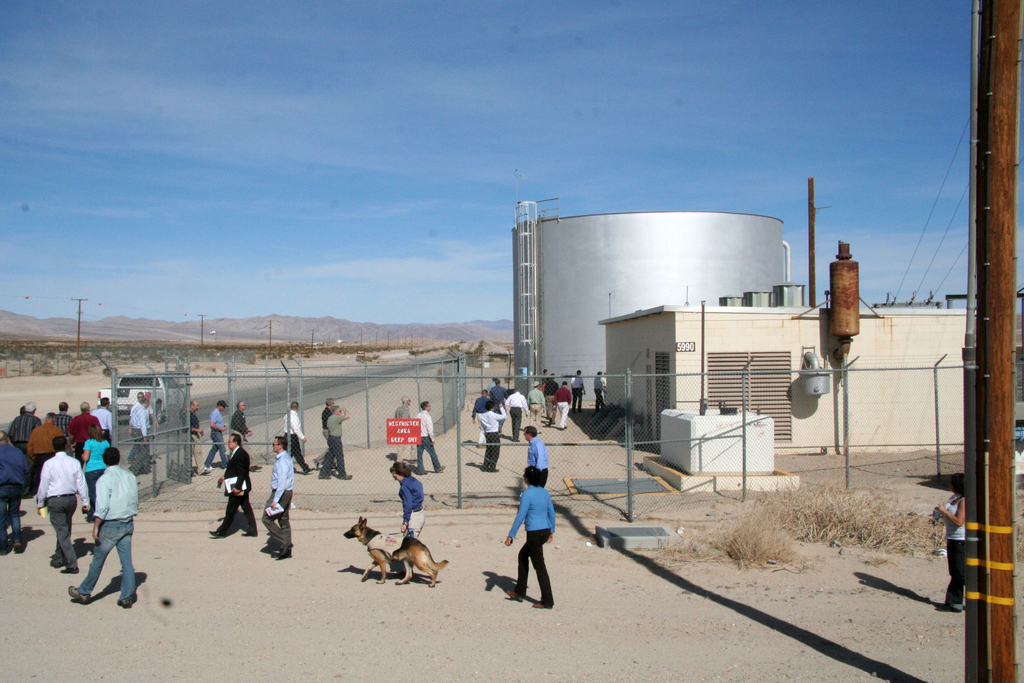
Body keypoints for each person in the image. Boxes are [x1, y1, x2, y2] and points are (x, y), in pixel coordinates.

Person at [67, 447, 138, 608]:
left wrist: (96, 526)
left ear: (104, 461)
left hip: (111, 524)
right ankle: (127, 595)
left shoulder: (104, 480)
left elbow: (102, 506)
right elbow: (134, 498)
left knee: (98, 560)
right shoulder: (130, 476)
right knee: (126, 562)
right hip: (127, 521)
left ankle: (84, 591)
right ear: (118, 459)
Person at [504, 466, 555, 609]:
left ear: (526, 479)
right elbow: (551, 512)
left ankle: (547, 601)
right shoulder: (544, 493)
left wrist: (511, 535)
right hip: (544, 530)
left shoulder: (527, 495)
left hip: (534, 533)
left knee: (539, 566)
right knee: (523, 556)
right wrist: (552, 530)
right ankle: (519, 591)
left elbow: (521, 516)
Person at [37, 435, 89, 574]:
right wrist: (85, 501)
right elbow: (81, 483)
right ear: (66, 446)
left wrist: (40, 502)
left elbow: (44, 484)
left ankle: (71, 563)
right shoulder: (74, 462)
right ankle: (59, 556)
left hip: (55, 500)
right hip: (71, 499)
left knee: (62, 531)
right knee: (65, 529)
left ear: (53, 447)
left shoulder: (49, 463)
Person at [210, 433, 256, 538]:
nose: (228, 443)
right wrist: (225, 477)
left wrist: (237, 487)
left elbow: (242, 472)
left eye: (230, 441)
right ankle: (253, 529)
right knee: (246, 507)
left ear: (235, 443)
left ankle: (222, 531)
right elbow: (234, 470)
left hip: (238, 487)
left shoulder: (240, 454)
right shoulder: (236, 453)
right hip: (238, 485)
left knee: (231, 509)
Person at [934, 473, 966, 612]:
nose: (949, 485)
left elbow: (959, 521)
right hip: (952, 538)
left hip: (961, 540)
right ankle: (953, 602)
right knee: (954, 572)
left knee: (960, 573)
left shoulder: (964, 501)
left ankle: (960, 602)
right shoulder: (954, 498)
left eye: (951, 483)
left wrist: (945, 512)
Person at [262, 436, 294, 560]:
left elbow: (282, 482)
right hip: (285, 493)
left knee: (266, 518)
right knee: (283, 519)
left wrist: (275, 500)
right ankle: (286, 550)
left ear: (280, 446)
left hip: (281, 493)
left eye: (274, 444)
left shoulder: (282, 461)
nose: (273, 446)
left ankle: (286, 542)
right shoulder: (285, 458)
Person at [0, 431, 28, 555]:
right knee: (14, 514)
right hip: (16, 485)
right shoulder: (17, 452)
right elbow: (25, 469)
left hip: (1, 486)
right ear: (7, 439)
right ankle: (17, 539)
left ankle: (3, 547)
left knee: (1, 518)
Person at [26, 412, 63, 496]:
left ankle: (41, 498)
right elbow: (61, 445)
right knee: (53, 478)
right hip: (52, 456)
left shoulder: (36, 431)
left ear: (46, 419)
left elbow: (30, 446)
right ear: (54, 420)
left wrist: (32, 457)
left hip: (39, 457)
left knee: (40, 478)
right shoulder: (57, 430)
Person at [80, 424, 110, 522]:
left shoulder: (89, 443)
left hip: (92, 469)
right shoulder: (105, 443)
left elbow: (86, 458)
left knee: (93, 493)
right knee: (101, 492)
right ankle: (91, 514)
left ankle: (98, 513)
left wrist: (82, 456)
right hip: (103, 468)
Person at [390, 461, 425, 538]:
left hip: (413, 517)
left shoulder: (405, 486)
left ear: (401, 473)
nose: (395, 479)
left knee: (409, 544)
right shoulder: (413, 480)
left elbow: (408, 505)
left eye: (395, 477)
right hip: (420, 514)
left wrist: (405, 522)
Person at [323, 404, 352, 480]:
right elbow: (347, 416)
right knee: (339, 457)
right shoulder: (336, 418)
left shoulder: (330, 418)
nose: (340, 413)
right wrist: (345, 410)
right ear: (336, 412)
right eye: (339, 411)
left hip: (331, 438)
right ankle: (342, 474)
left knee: (330, 456)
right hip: (336, 439)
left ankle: (323, 473)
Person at [415, 401, 444, 474]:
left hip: (418, 437)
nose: (430, 406)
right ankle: (437, 467)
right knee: (432, 453)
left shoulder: (418, 415)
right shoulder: (427, 416)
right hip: (425, 437)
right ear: (426, 407)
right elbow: (430, 429)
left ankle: (420, 469)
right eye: (429, 405)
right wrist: (432, 439)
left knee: (419, 455)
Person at [479, 400, 506, 472]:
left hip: (487, 433)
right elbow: (504, 416)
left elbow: (482, 427)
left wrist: (484, 433)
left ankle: (485, 465)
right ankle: (492, 467)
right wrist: (501, 408)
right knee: (495, 451)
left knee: (489, 450)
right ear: (492, 407)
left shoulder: (482, 416)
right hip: (494, 433)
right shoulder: (493, 415)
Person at [285, 401, 311, 475]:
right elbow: (295, 428)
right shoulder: (294, 416)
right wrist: (302, 437)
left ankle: (304, 467)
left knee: (292, 453)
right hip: (292, 436)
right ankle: (304, 468)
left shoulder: (287, 415)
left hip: (287, 435)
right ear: (297, 408)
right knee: (296, 452)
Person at [128, 397, 153, 475]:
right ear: (145, 403)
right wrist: (144, 436)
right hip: (139, 431)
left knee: (139, 449)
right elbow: (143, 424)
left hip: (135, 430)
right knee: (144, 451)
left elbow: (132, 420)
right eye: (148, 404)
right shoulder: (142, 411)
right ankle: (135, 467)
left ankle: (138, 466)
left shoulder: (136, 408)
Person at [394, 397, 413, 461]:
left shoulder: (398, 409)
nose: (410, 402)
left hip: (399, 428)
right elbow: (405, 419)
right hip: (405, 428)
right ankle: (413, 457)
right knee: (413, 442)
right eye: (409, 400)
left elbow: (395, 418)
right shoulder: (406, 409)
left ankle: (399, 458)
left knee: (401, 444)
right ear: (407, 401)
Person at [189, 400, 204, 473]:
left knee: (198, 452)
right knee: (189, 454)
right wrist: (197, 430)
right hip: (190, 436)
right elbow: (188, 427)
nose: (198, 407)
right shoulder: (188, 415)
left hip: (196, 435)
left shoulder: (193, 414)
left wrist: (199, 431)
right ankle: (189, 470)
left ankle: (201, 470)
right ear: (191, 406)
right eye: (196, 406)